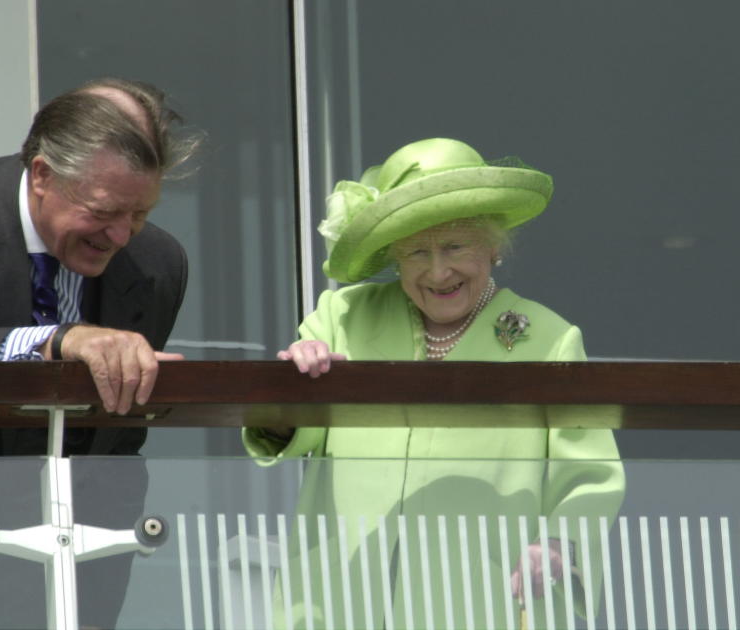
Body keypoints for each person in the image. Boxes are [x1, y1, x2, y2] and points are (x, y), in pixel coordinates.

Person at [244, 138, 625, 629]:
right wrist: (296, 384)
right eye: (416, 252)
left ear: (492, 245)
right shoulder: (342, 318)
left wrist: (557, 544)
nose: (438, 270)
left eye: (454, 246)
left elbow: (590, 474)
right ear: (395, 259)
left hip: (481, 598)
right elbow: (285, 434)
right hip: (343, 597)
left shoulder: (548, 338)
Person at [0, 78, 199, 628]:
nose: (122, 235)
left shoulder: (158, 263)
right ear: (42, 174)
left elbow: (118, 447)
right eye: (105, 210)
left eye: (139, 213)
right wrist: (54, 339)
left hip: (64, 581)